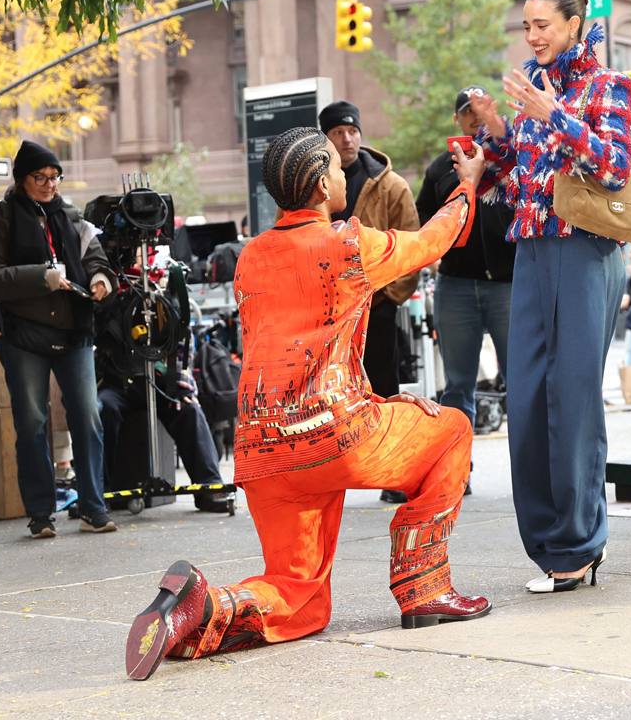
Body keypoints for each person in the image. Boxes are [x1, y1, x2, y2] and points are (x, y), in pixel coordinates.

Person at [125, 126, 491, 681]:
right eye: (339, 172)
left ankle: (202, 608)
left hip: (263, 454)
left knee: (300, 600)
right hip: (338, 435)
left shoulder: (251, 256)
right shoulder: (349, 243)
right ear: (322, 185)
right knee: (456, 429)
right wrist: (466, 186)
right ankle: (426, 588)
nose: (345, 177)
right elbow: (430, 242)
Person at [470, 0, 631, 594]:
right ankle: (547, 542)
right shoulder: (531, 91)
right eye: (528, 26)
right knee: (528, 400)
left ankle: (579, 545)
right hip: (532, 252)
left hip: (585, 252)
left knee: (573, 398)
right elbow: (523, 182)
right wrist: (493, 139)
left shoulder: (608, 86)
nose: (534, 36)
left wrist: (554, 117)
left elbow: (615, 168)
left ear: (574, 22)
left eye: (544, 25)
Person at [0, 141, 120, 538]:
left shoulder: (71, 216)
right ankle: (40, 514)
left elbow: (96, 259)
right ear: (22, 180)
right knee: (32, 421)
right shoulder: (1, 220)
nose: (50, 184)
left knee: (88, 416)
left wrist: (102, 279)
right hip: (23, 333)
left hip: (74, 330)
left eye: (55, 177)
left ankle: (93, 507)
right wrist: (42, 276)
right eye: (41, 177)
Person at [319, 99, 421, 504]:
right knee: (324, 395)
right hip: (328, 315)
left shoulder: (390, 184)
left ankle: (394, 471)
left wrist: (389, 297)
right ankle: (328, 473)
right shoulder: (309, 180)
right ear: (324, 138)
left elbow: (412, 244)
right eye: (338, 133)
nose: (347, 139)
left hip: (376, 309)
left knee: (385, 388)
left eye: (353, 131)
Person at [416, 86, 514, 434]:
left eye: (480, 109)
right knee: (457, 386)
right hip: (455, 285)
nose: (474, 117)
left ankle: (531, 477)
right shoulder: (440, 168)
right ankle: (457, 473)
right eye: (466, 111)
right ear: (456, 119)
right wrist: (436, 255)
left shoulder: (509, 159)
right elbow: (423, 217)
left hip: (507, 286)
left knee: (520, 381)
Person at [94, 261, 227, 513]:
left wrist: (184, 390)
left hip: (163, 384)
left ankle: (209, 487)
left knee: (189, 411)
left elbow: (183, 345)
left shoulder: (167, 291)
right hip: (119, 383)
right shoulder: (110, 288)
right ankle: (101, 493)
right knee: (104, 409)